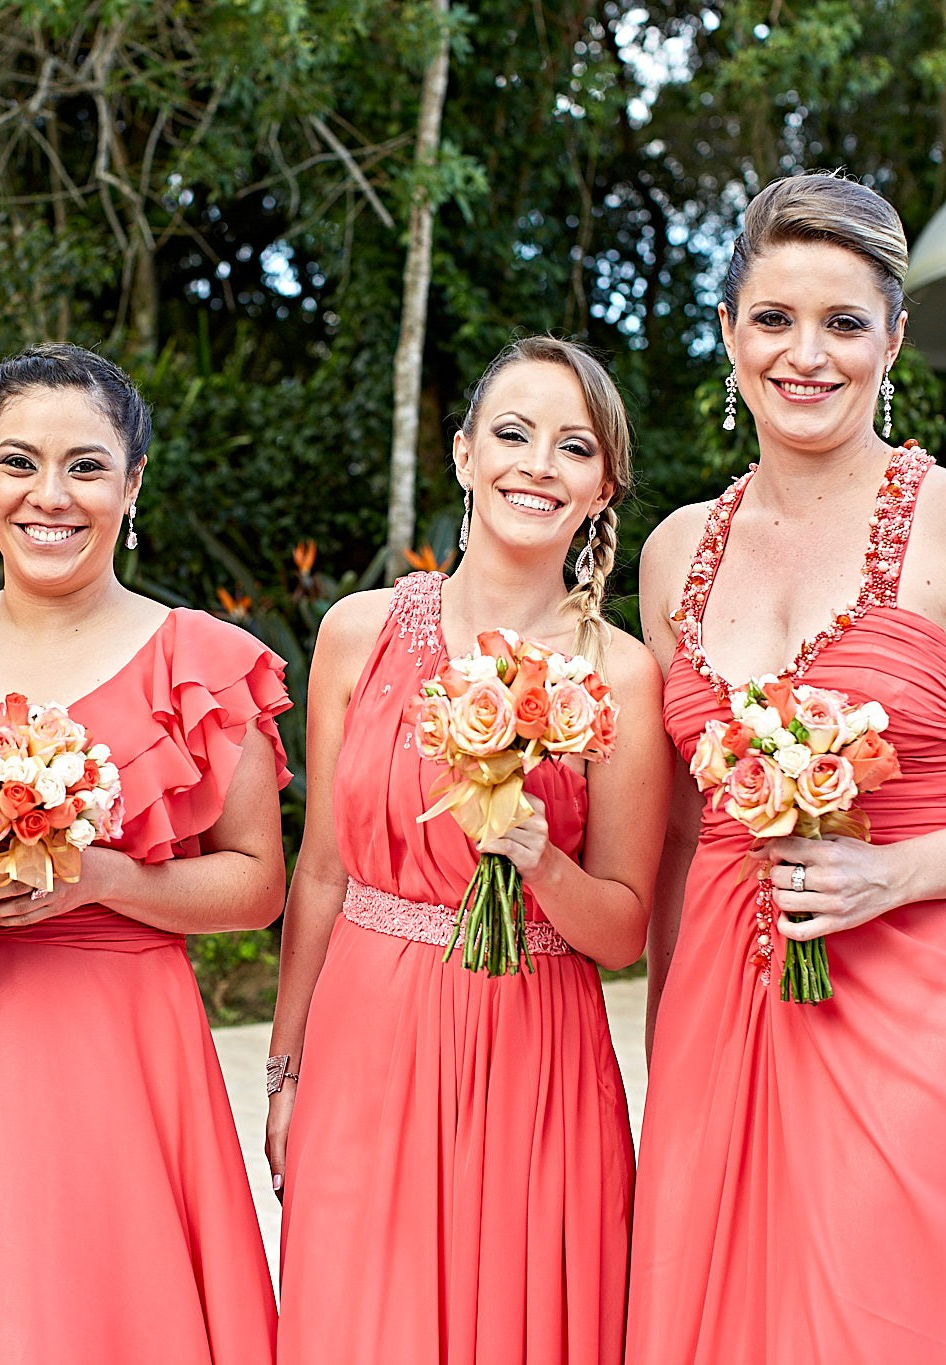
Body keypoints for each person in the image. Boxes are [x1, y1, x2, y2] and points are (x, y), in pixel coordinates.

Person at [631, 172, 946, 1364]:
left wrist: (892, 874)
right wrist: (666, 1032)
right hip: (719, 1013)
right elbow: (680, 832)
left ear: (892, 341)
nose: (805, 355)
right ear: (728, 335)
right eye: (773, 319)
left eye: (843, 323)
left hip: (920, 997)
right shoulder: (672, 552)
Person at [0, 343, 286, 1365]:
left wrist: (100, 877)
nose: (50, 495)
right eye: (19, 462)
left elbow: (256, 887)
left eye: (86, 466)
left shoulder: (202, 661)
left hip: (121, 1057)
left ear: (132, 484)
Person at [270, 336, 673, 1365]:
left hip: (534, 1058)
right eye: (513, 434)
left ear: (603, 487)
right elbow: (320, 871)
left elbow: (623, 929)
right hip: (365, 1046)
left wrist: (542, 860)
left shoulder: (623, 676)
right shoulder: (356, 632)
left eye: (573, 447)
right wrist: (284, 1073)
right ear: (462, 454)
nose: (538, 465)